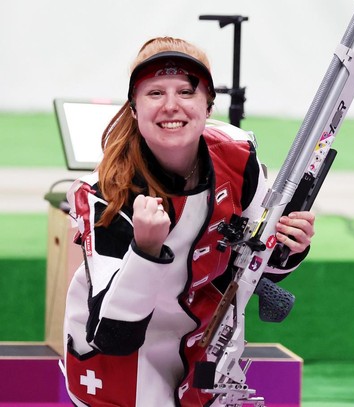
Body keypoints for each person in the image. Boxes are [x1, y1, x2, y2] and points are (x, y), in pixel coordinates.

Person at [62, 36, 315, 406]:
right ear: (133, 107)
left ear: (208, 104)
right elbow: (113, 334)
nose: (171, 106)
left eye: (186, 91)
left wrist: (293, 246)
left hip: (203, 347)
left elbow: (259, 267)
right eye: (154, 93)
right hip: (120, 368)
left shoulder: (237, 153)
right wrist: (145, 252)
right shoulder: (103, 192)